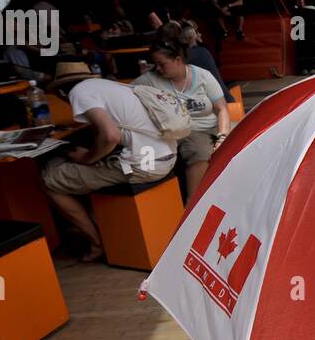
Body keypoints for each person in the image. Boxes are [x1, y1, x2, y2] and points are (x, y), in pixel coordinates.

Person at [39, 60, 177, 260]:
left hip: (145, 166)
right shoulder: (110, 86)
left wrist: (86, 158)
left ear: (61, 92)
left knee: (48, 179)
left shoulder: (79, 92)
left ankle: (96, 243)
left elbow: (110, 136)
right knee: (78, 170)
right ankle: (99, 226)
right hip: (166, 157)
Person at [134, 43, 230, 202]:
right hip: (186, 131)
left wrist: (222, 137)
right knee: (200, 151)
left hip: (213, 126)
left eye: (162, 64)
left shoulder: (202, 75)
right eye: (155, 64)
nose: (158, 68)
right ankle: (192, 204)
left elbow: (222, 109)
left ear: (178, 60)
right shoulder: (149, 80)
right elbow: (123, 94)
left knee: (244, 141)